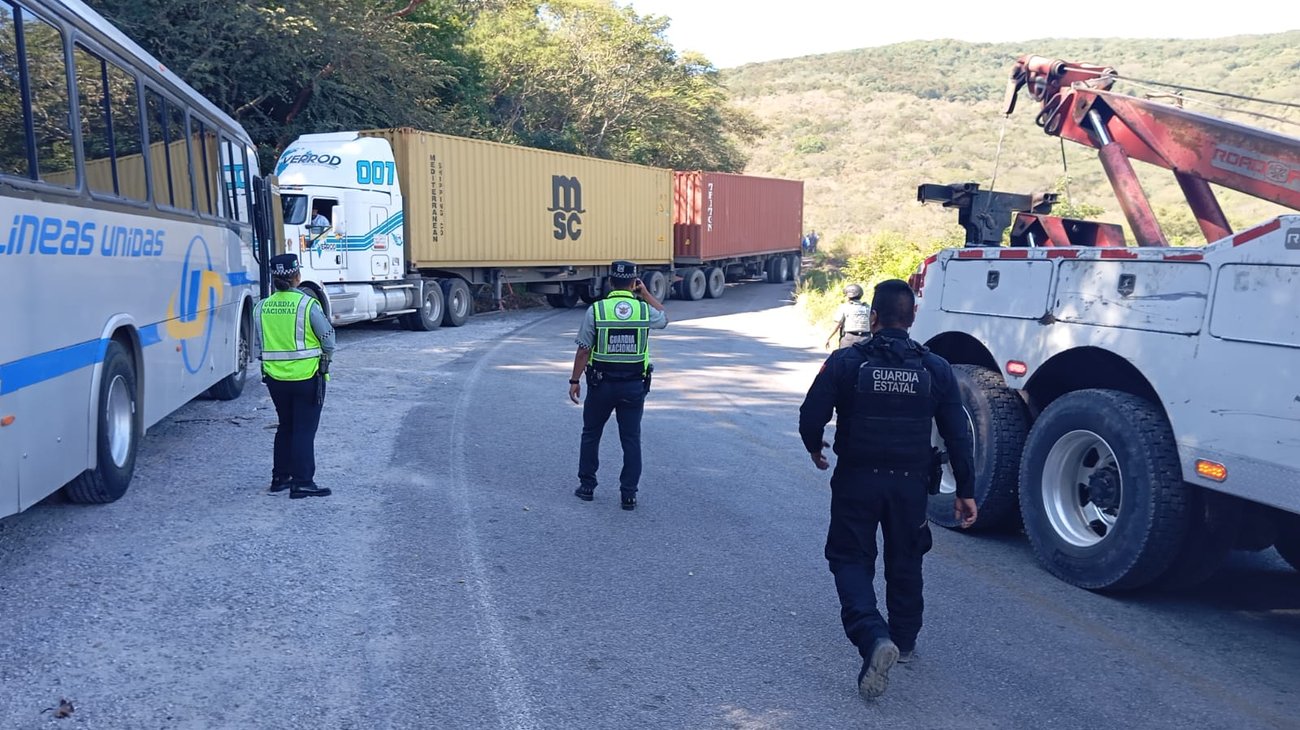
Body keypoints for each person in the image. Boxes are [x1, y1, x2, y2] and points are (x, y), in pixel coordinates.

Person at [798, 279, 977, 701]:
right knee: (907, 557)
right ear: (913, 318)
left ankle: (873, 636)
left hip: (857, 479)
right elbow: (957, 434)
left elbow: (810, 416)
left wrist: (814, 448)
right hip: (910, 485)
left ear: (873, 318)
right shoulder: (935, 368)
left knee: (849, 558)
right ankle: (905, 639)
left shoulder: (845, 362)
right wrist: (966, 490)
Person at [568, 261, 668, 511]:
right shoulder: (643, 311)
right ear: (634, 282)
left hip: (601, 385)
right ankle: (629, 495)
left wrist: (574, 380)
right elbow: (664, 318)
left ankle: (587, 486)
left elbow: (583, 349)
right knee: (631, 439)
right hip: (634, 387)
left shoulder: (597, 310)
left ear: (610, 282)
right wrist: (644, 294)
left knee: (591, 434)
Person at [253, 254, 336, 499]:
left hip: (275, 379)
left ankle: (280, 478)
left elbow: (261, 342)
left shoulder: (261, 307)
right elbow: (329, 341)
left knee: (285, 425)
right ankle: (303, 482)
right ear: (297, 276)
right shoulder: (307, 305)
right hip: (307, 377)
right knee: (304, 429)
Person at [825, 283, 871, 350]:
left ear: (848, 296)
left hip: (849, 339)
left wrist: (828, 338)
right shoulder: (867, 308)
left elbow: (837, 325)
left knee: (842, 358)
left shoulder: (844, 307)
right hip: (866, 339)